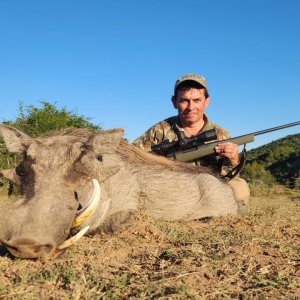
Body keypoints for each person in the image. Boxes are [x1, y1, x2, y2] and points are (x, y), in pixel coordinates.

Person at [133, 73, 250, 206]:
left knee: (239, 187)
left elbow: (226, 177)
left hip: (207, 189)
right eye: (184, 100)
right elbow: (132, 154)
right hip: (168, 186)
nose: (190, 107)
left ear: (207, 101)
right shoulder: (159, 130)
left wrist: (233, 161)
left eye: (197, 100)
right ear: (174, 102)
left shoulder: (220, 135)